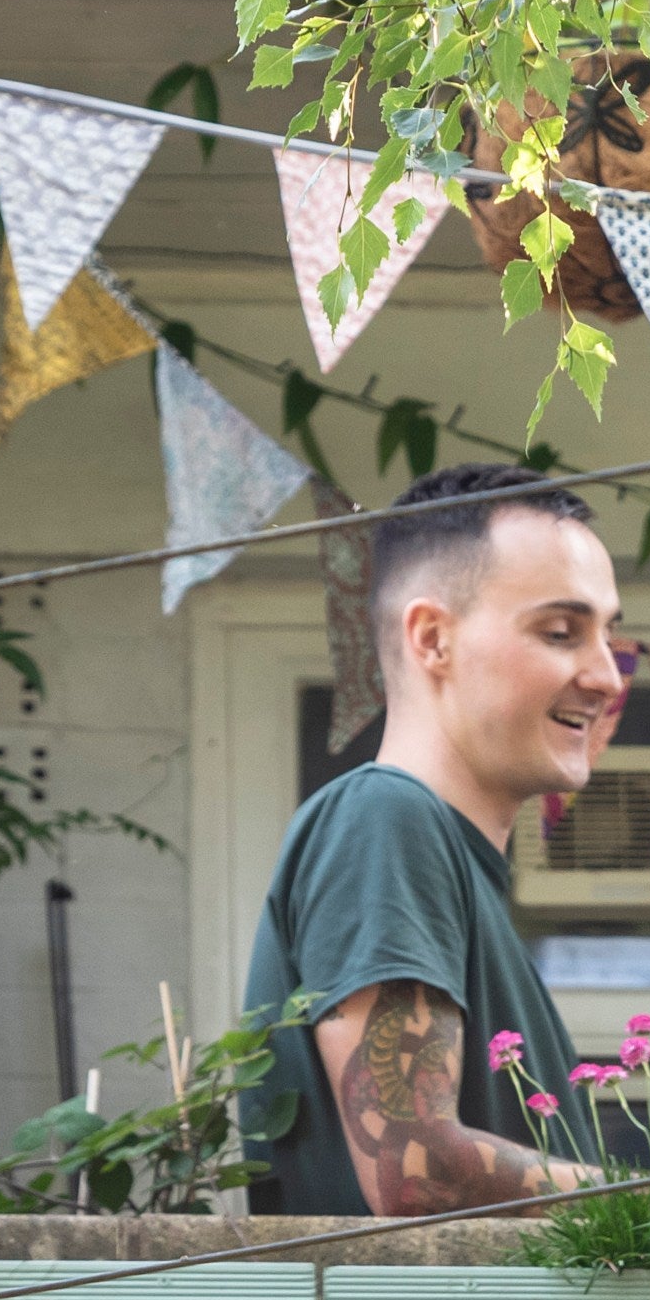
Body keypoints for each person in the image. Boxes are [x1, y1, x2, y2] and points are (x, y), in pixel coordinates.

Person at [240, 463, 624, 1216]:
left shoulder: (446, 859)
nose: (608, 675)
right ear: (432, 639)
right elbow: (415, 1170)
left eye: (608, 634)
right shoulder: (385, 818)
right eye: (560, 632)